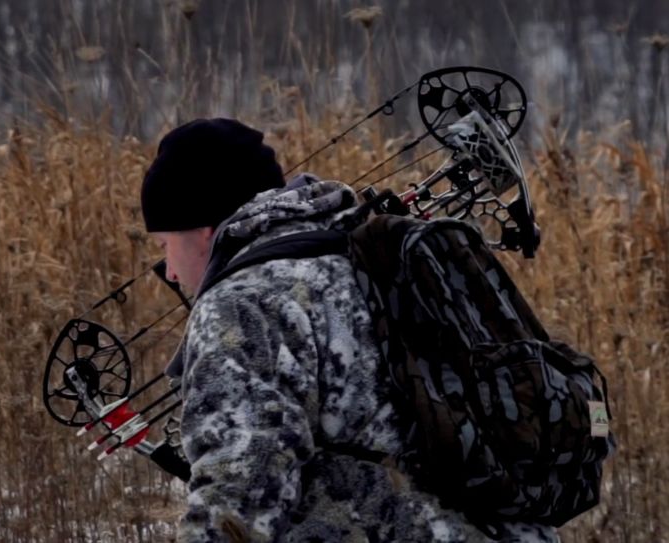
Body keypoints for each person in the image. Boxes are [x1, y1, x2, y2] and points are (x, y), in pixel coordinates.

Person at [139, 117, 558, 542]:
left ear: (203, 229)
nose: (169, 271)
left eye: (164, 246)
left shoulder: (241, 301)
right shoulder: (371, 255)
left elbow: (241, 491)